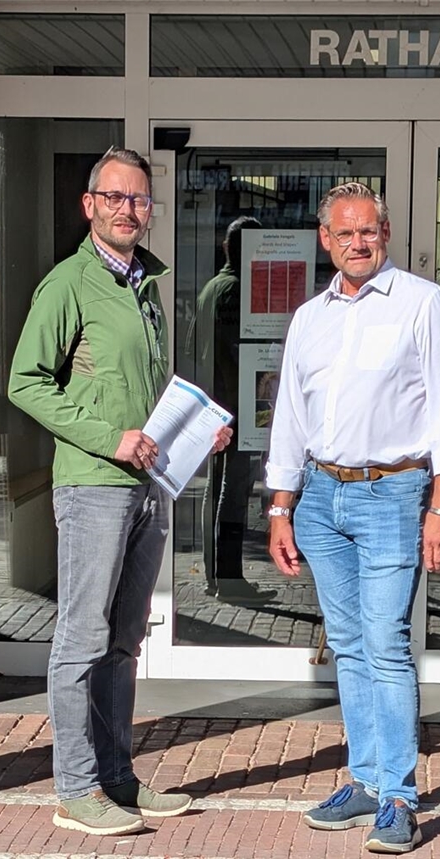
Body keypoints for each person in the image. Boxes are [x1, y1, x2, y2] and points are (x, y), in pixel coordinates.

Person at [8, 146, 232, 836]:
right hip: (95, 486)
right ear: (90, 205)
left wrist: (198, 430)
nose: (129, 210)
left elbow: (150, 390)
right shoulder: (67, 286)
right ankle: (76, 789)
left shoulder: (146, 285)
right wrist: (110, 436)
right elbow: (26, 382)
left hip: (146, 488)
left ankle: (117, 778)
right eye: (115, 198)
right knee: (80, 639)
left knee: (123, 642)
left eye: (139, 200)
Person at [266, 182, 440, 854]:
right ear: (325, 239)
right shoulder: (309, 318)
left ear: (384, 233)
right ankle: (362, 780)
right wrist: (281, 504)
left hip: (393, 494)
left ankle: (398, 796)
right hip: (322, 502)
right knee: (351, 644)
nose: (359, 243)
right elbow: (290, 421)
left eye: (371, 231)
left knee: (386, 643)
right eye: (346, 232)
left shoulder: (424, 304)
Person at [191, 216, 276, 604]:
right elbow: (236, 356)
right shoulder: (236, 291)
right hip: (234, 409)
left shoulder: (212, 288)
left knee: (217, 490)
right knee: (232, 494)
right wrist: (246, 412)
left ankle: (217, 577)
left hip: (216, 406)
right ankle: (228, 578)